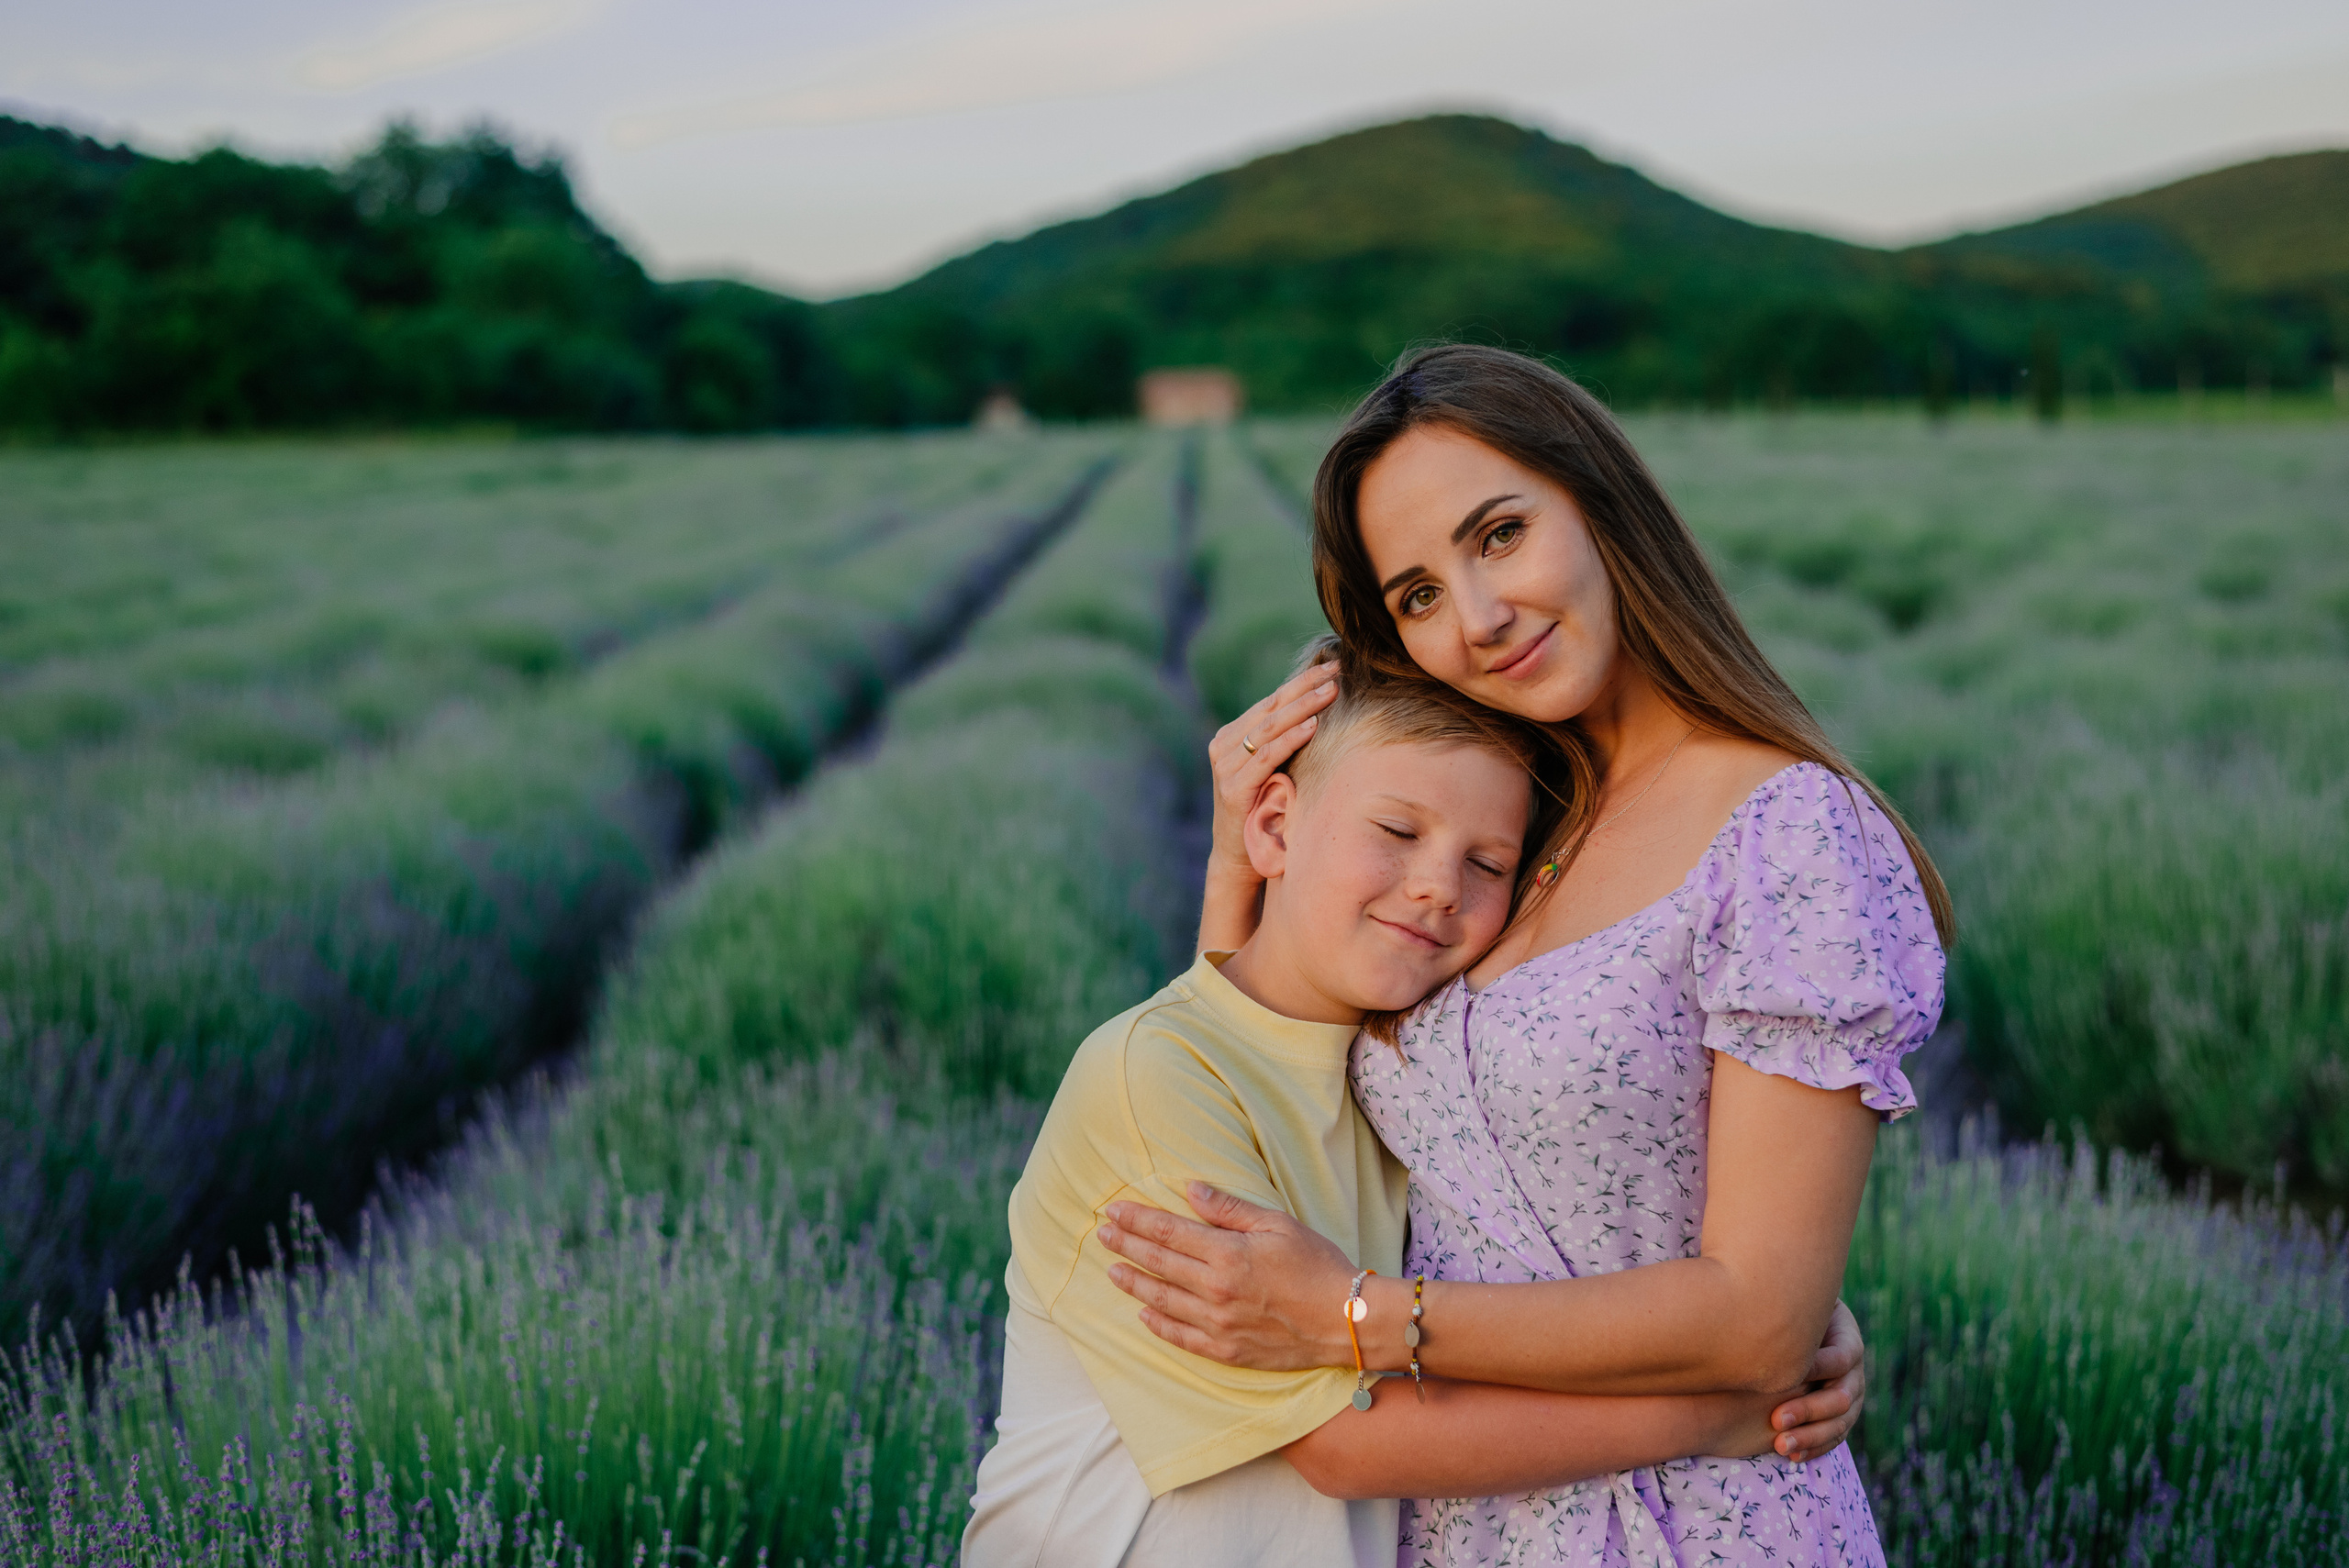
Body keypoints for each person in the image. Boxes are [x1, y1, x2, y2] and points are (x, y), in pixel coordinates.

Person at [1097, 344, 1950, 1565]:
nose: (1481, 618)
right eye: (1420, 596)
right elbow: (1258, 1106)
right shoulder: (1497, 832)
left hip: (1690, 1526)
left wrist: (1356, 1317)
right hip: (1450, 1514)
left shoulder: (1784, 831)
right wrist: (1243, 860)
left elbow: (1759, 1326)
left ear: (1600, 501)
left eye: (1498, 535)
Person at [963, 646, 1866, 1568]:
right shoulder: (1150, 1079)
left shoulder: (1392, 1071)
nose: (1439, 884)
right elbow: (1342, 1441)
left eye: (1487, 861)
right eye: (1397, 831)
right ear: (1271, 824)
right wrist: (1714, 1405)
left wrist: (1770, 1319)